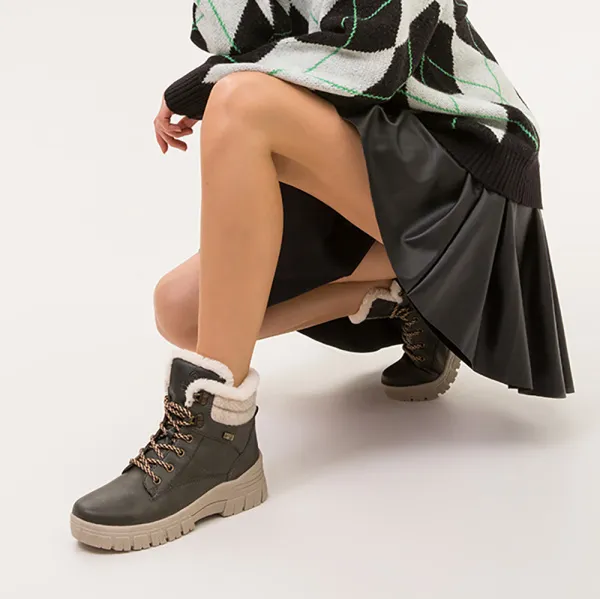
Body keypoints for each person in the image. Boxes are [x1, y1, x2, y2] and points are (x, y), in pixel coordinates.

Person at [70, 0, 574, 551]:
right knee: (179, 310)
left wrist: (202, 85)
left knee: (240, 102)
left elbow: (370, 60)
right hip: (362, 166)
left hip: (462, 163)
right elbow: (264, 61)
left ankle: (219, 433)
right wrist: (220, 79)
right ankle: (401, 295)